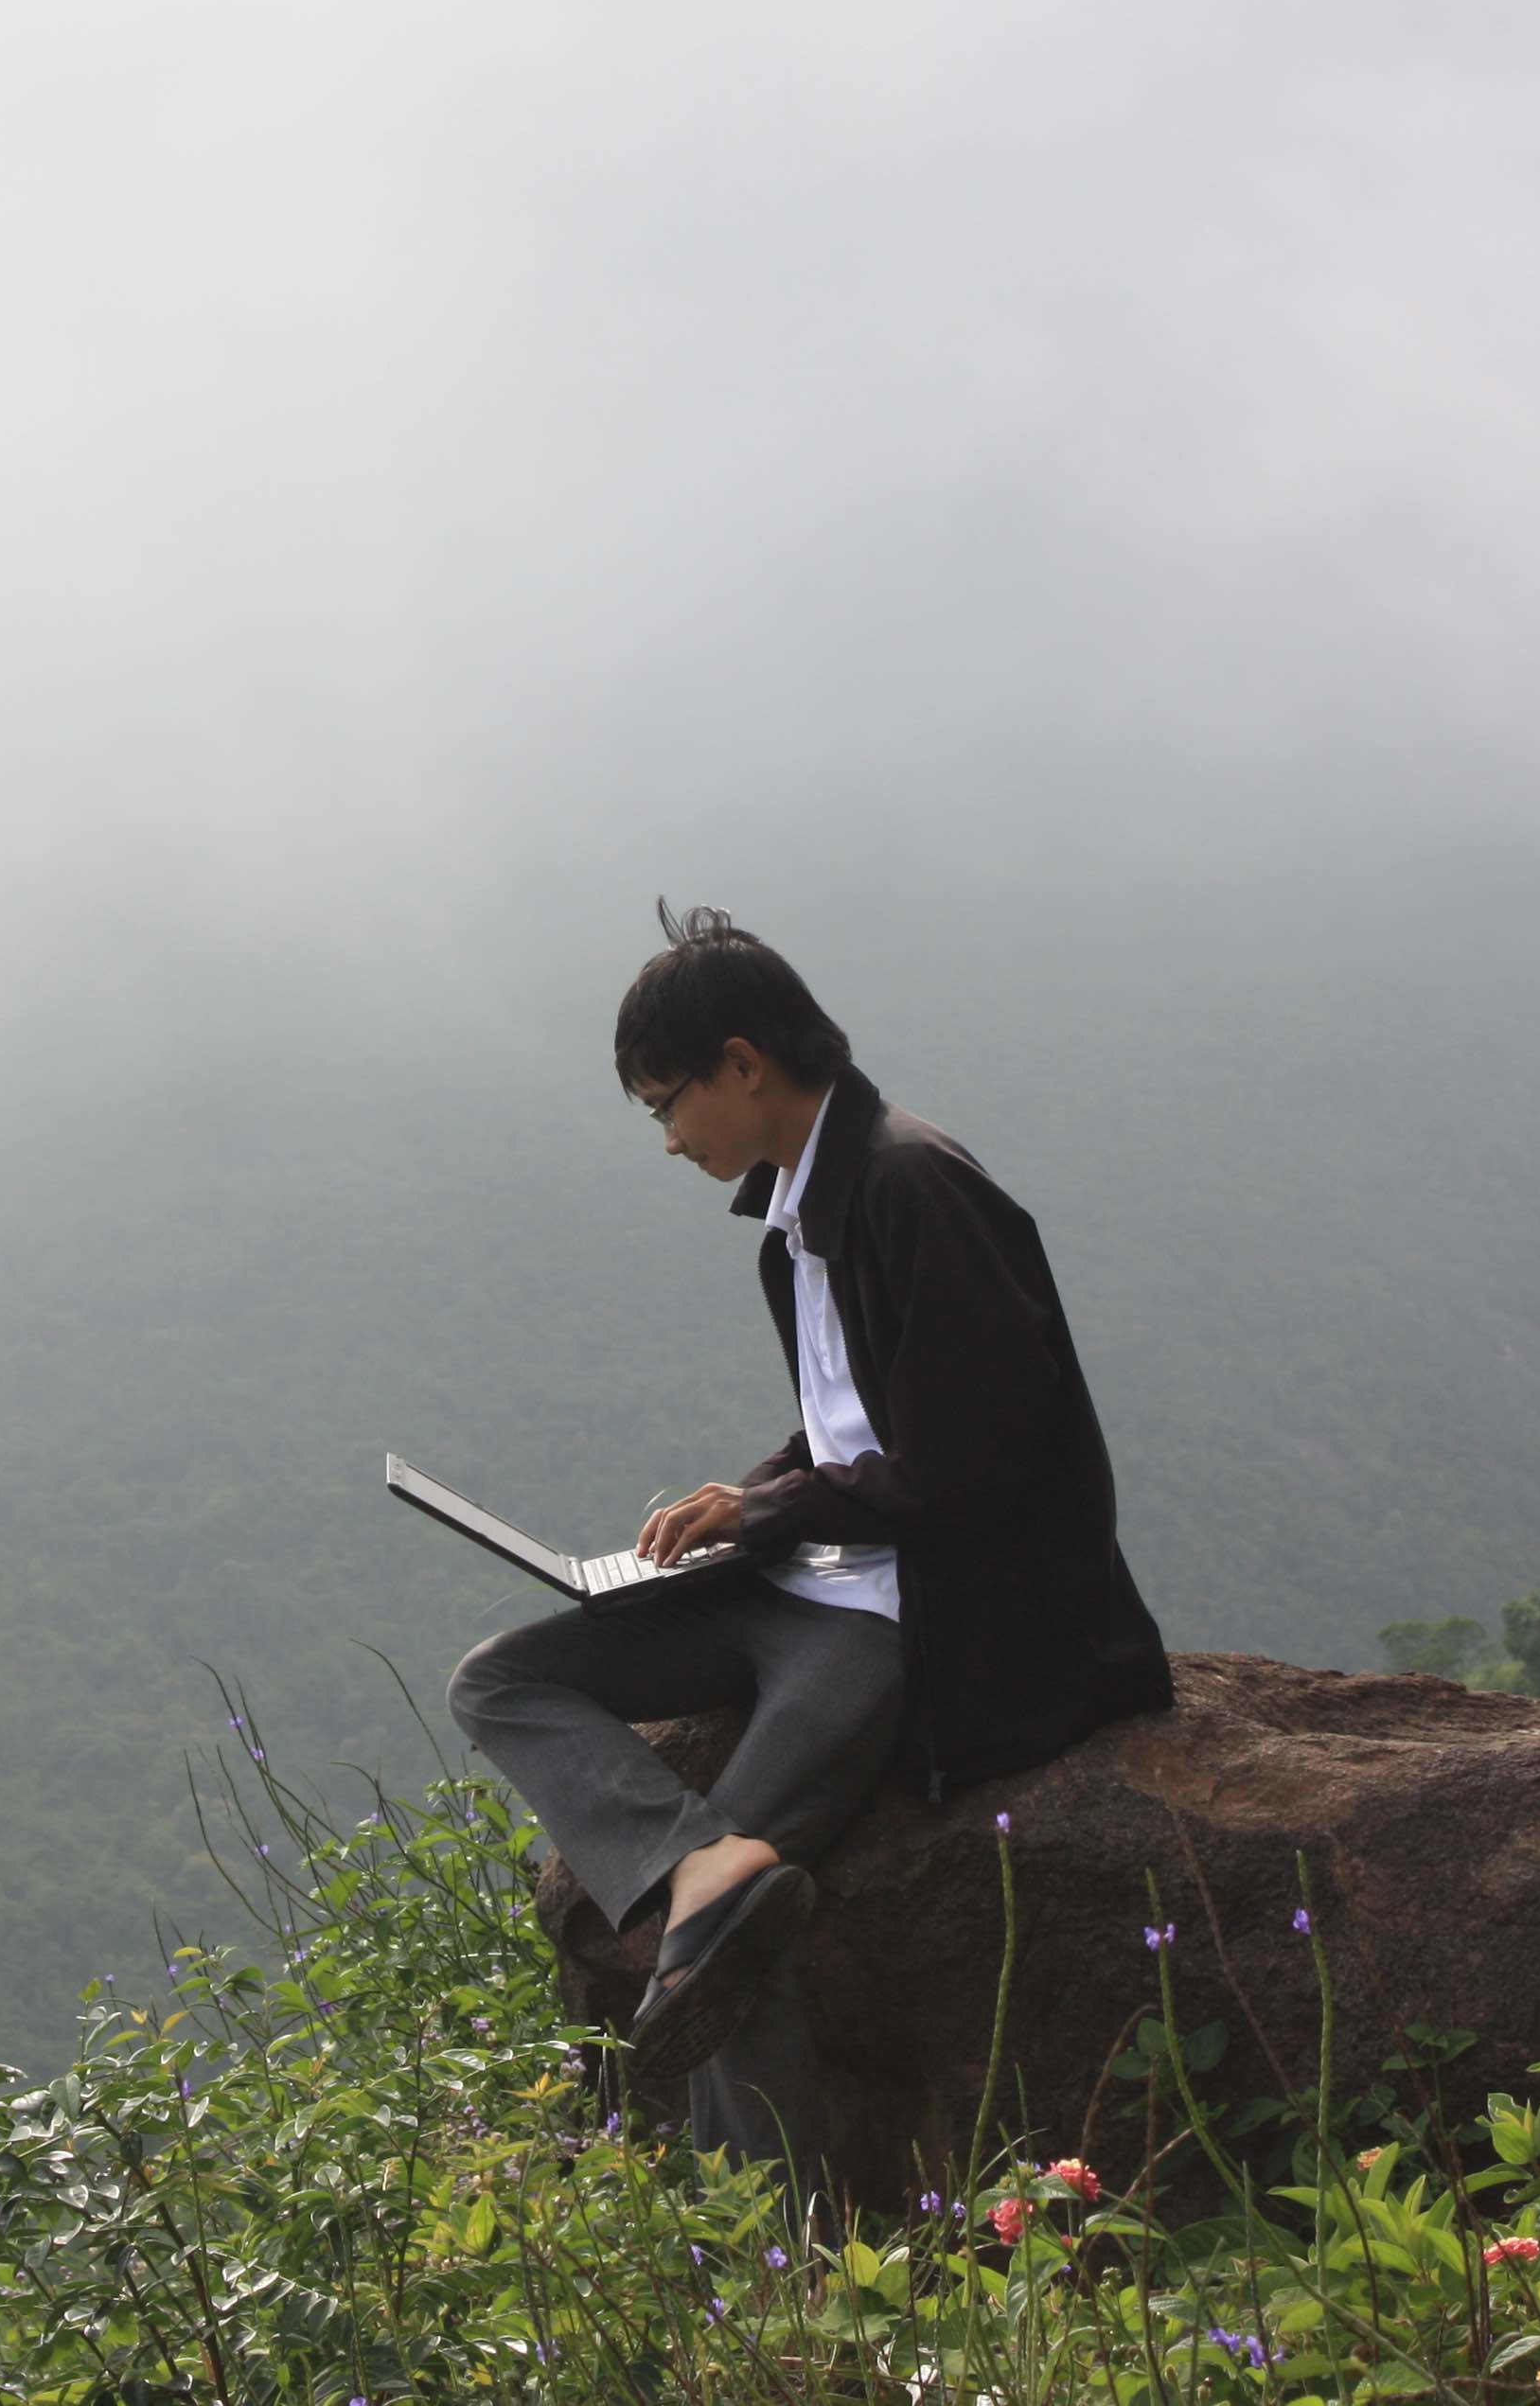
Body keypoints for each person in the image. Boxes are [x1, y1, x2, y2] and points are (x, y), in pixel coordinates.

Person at [448, 905, 1172, 2174]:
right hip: (809, 1574)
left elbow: (971, 1464)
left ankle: (771, 2255)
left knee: (718, 1943)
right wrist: (746, 1497)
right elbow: (851, 1429)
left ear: (744, 1064)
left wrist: (768, 1512)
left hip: (908, 1610)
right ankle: (700, 1866)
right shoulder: (802, 1212)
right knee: (501, 1679)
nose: (670, 1141)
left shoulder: (910, 1186)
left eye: (668, 1104)